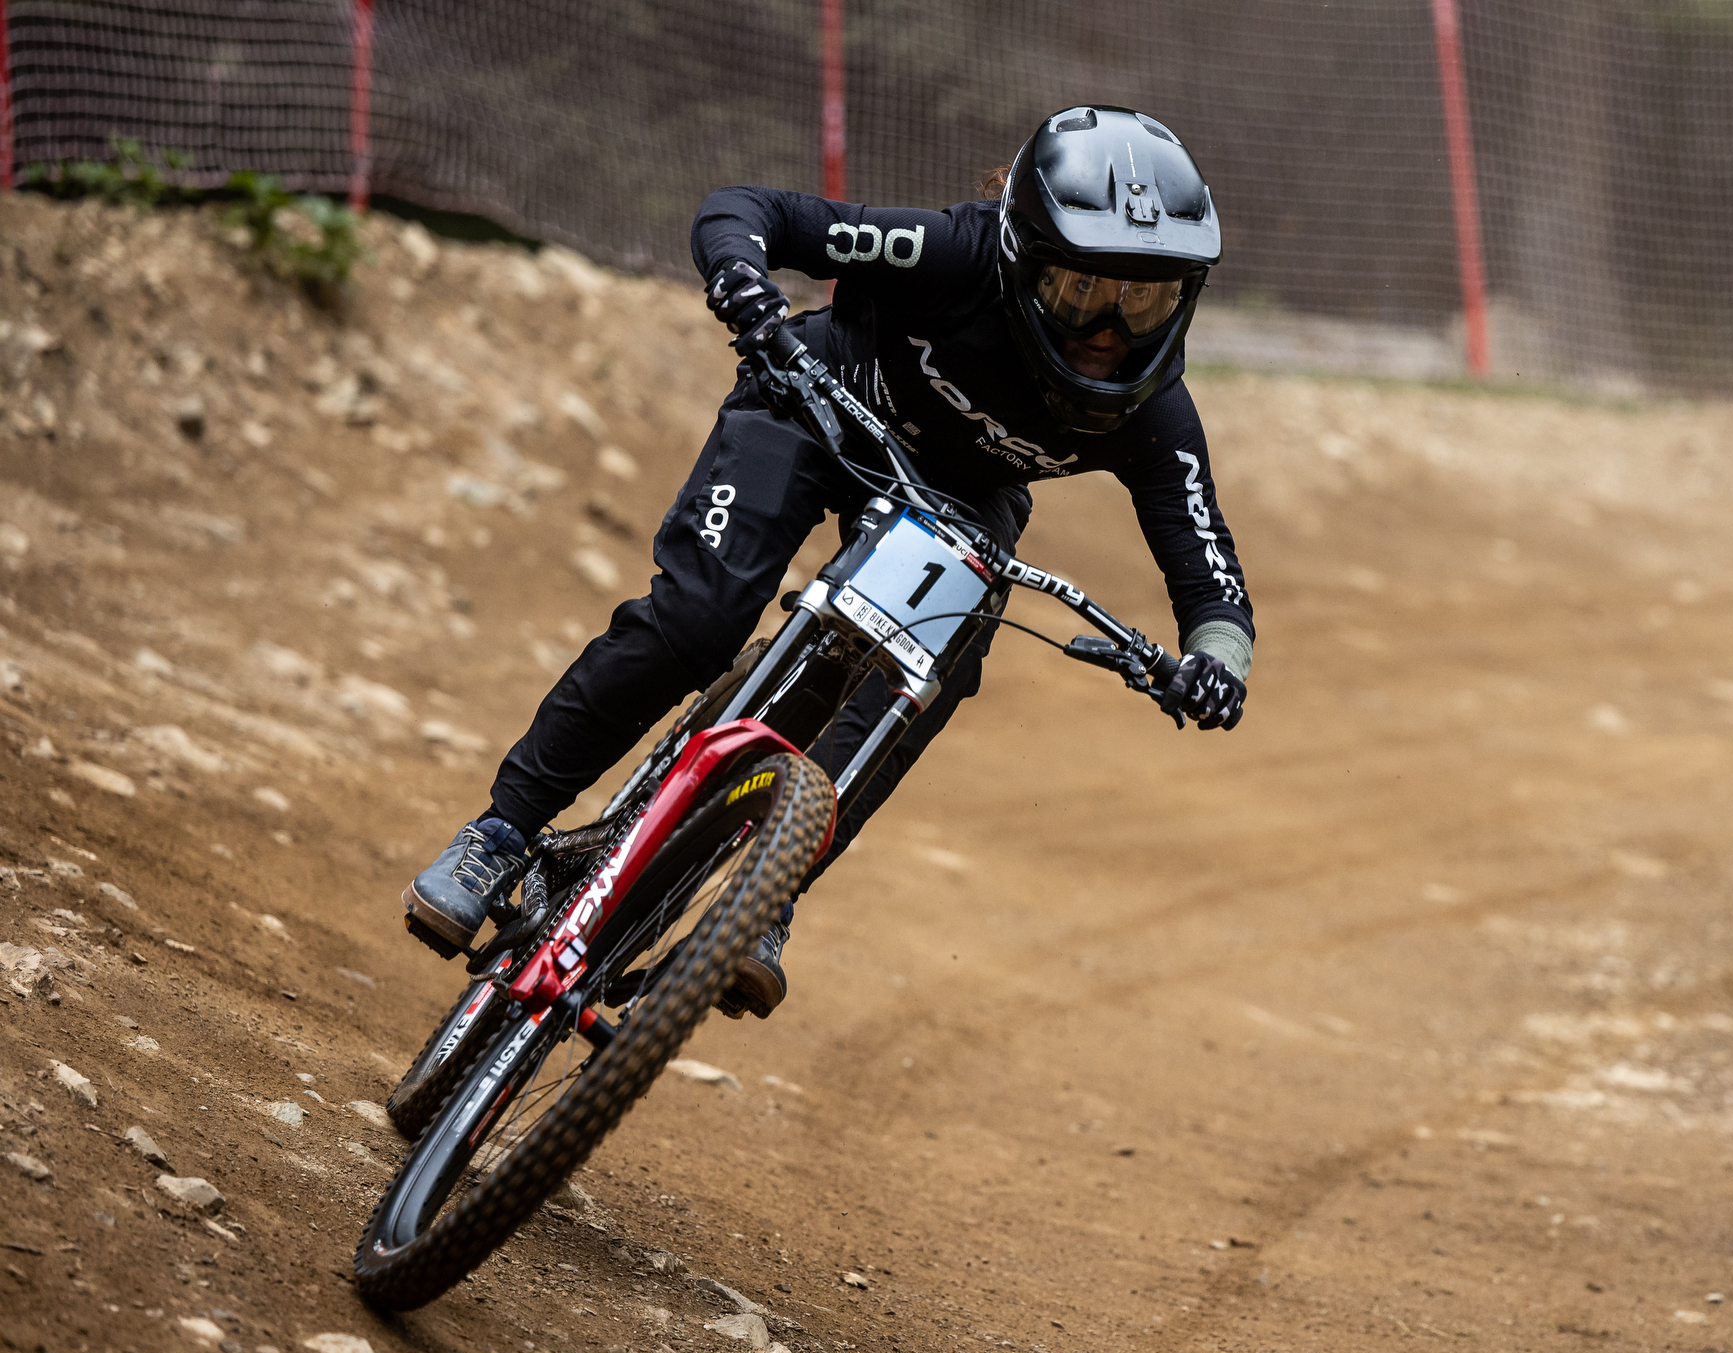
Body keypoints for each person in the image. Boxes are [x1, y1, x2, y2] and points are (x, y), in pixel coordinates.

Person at [401, 104, 1254, 1016]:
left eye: (1147, 298)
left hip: (962, 501)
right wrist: (744, 285)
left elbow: (1211, 582)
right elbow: (750, 210)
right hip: (818, 405)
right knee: (699, 621)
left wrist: (1216, 666)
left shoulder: (1155, 413)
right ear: (1019, 256)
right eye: (1084, 291)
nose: (1110, 331)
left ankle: (766, 895)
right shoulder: (951, 253)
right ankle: (499, 834)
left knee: (930, 675)